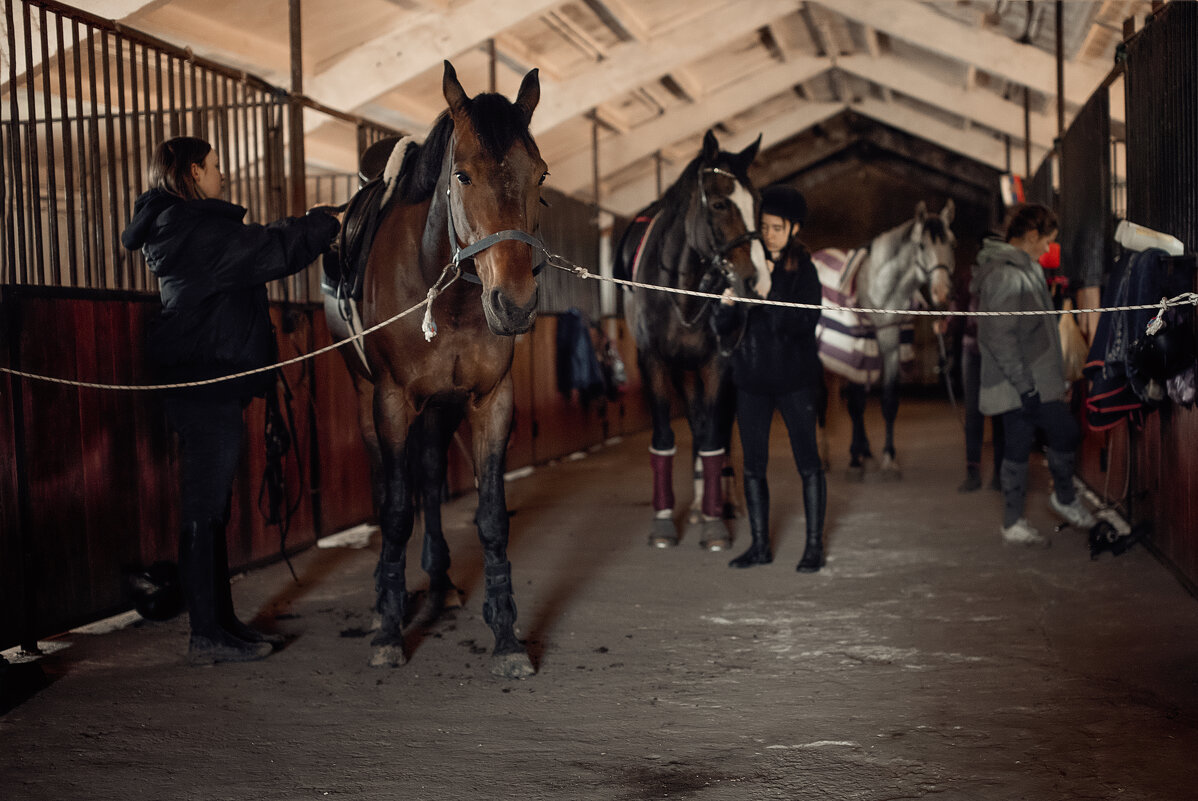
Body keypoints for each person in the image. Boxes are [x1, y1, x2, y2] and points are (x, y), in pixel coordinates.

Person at [121, 136, 340, 664]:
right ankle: (207, 633)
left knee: (211, 507)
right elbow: (267, 249)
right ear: (194, 172)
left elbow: (257, 242)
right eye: (215, 166)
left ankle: (219, 623)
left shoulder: (183, 227)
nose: (222, 175)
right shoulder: (193, 231)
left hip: (210, 378)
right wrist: (324, 222)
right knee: (204, 506)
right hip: (205, 380)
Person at [714, 184, 826, 571]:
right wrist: (726, 305)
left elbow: (804, 321)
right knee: (753, 466)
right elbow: (723, 327)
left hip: (796, 380)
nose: (769, 233)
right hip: (752, 380)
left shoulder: (805, 270)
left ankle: (813, 546)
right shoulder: (746, 264)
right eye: (764, 225)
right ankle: (760, 545)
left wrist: (767, 294)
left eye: (777, 227)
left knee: (808, 463)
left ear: (794, 229)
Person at [974, 203, 1096, 547]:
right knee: (1062, 432)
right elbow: (999, 335)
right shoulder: (1006, 274)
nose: (1047, 249)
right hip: (1022, 382)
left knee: (1018, 445)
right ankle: (1063, 499)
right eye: (1046, 242)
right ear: (1031, 236)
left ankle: (1013, 522)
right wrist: (1027, 386)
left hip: (1031, 379)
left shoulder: (1025, 269)